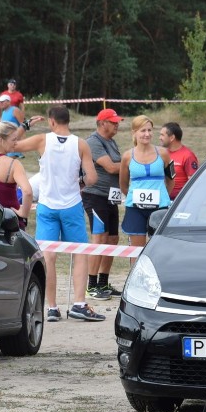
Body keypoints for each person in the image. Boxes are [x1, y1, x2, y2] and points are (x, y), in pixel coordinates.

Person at [14, 105, 105, 322]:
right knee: (80, 253)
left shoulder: (42, 140)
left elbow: (12, 143)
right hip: (72, 204)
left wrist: (25, 125)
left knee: (49, 257)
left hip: (47, 205)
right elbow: (92, 179)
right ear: (69, 121)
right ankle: (79, 303)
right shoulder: (80, 144)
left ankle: (52, 307)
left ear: (51, 121)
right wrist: (79, 181)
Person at [83, 108, 124, 300]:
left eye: (117, 122)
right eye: (113, 122)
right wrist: (136, 162)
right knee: (99, 238)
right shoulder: (93, 142)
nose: (117, 125)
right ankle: (91, 285)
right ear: (102, 123)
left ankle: (103, 282)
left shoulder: (112, 142)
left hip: (111, 197)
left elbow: (119, 164)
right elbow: (111, 167)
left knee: (113, 239)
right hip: (95, 196)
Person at [119, 115, 174, 250]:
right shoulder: (127, 156)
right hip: (135, 209)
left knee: (158, 249)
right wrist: (133, 195)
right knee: (136, 250)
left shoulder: (163, 153)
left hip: (160, 207)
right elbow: (123, 184)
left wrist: (163, 196)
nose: (147, 134)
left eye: (149, 130)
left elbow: (171, 179)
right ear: (134, 133)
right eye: (143, 131)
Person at [159, 122, 199, 199]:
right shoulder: (162, 154)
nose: (159, 138)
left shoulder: (188, 155)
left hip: (178, 201)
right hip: (162, 198)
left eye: (162, 135)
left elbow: (193, 183)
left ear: (172, 138)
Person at [0, 93, 25, 159]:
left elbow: (23, 125)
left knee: (10, 163)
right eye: (0, 102)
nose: (0, 104)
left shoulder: (15, 110)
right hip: (6, 141)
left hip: (14, 141)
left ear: (8, 102)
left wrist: (23, 142)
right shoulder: (3, 112)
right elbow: (0, 123)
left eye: (2, 102)